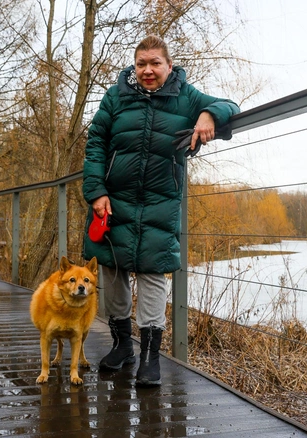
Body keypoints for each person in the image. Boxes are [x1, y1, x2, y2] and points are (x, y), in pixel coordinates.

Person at [82, 35, 240, 387]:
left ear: (169, 66)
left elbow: (231, 105)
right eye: (141, 64)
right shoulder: (115, 96)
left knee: (153, 274)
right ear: (134, 67)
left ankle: (151, 357)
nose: (148, 70)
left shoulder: (187, 95)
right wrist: (96, 192)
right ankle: (123, 346)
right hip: (113, 200)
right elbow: (96, 142)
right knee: (113, 270)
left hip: (160, 201)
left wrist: (207, 114)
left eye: (155, 63)